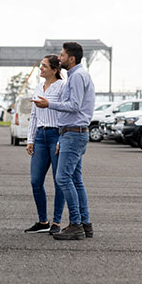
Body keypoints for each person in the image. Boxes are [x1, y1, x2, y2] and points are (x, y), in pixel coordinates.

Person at [33, 42, 95, 240]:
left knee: (63, 179)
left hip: (74, 133)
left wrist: (49, 104)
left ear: (72, 58)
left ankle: (75, 224)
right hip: (73, 133)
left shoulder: (77, 76)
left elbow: (75, 105)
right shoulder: (77, 75)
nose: (59, 58)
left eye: (62, 55)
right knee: (75, 180)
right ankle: (85, 224)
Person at [24, 55, 65, 235]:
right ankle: (43, 221)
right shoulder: (38, 87)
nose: (40, 68)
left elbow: (65, 113)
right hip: (40, 136)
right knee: (35, 181)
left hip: (56, 134)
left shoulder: (62, 87)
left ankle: (56, 222)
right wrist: (30, 139)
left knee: (59, 181)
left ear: (54, 70)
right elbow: (33, 115)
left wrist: (62, 139)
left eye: (44, 66)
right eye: (41, 66)